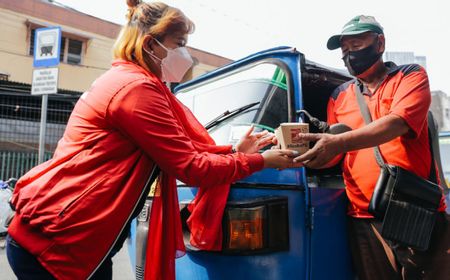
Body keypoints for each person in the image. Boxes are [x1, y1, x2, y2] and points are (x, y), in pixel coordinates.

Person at [5, 1, 301, 279]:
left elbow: (175, 146)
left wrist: (234, 150)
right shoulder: (136, 90)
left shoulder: (126, 80)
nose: (187, 55)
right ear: (151, 45)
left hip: (64, 232)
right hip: (59, 242)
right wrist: (260, 160)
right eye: (180, 45)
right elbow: (191, 165)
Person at [293, 15, 450, 280]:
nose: (349, 54)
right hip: (364, 217)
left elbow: (397, 124)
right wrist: (311, 156)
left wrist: (336, 141)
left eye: (356, 44)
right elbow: (337, 154)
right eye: (344, 49)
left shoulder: (409, 76)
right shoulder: (339, 96)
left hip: (416, 210)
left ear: (379, 44)